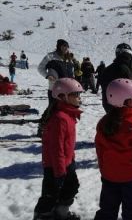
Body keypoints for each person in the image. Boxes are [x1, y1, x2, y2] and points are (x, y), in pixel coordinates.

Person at [94, 78, 132, 220]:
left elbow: (100, 152)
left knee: (107, 211)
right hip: (131, 180)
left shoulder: (104, 122)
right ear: (128, 101)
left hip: (109, 178)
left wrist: (105, 173)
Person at [33, 78, 84, 220]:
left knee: (71, 187)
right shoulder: (60, 118)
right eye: (75, 95)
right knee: (51, 193)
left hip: (67, 162)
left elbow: (67, 143)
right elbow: (56, 148)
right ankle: (42, 215)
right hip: (55, 166)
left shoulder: (68, 114)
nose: (79, 98)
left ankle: (61, 212)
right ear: (62, 96)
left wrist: (71, 159)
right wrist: (60, 172)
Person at [37, 39, 73, 137]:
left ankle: (60, 128)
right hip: (54, 88)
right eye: (63, 46)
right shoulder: (50, 56)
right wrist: (47, 76)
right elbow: (40, 68)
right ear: (59, 46)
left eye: (67, 46)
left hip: (67, 89)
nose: (65, 48)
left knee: (65, 109)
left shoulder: (69, 58)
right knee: (52, 107)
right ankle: (42, 126)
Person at [98, 43, 132, 113]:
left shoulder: (109, 68)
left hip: (108, 102)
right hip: (122, 105)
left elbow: (103, 84)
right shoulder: (125, 69)